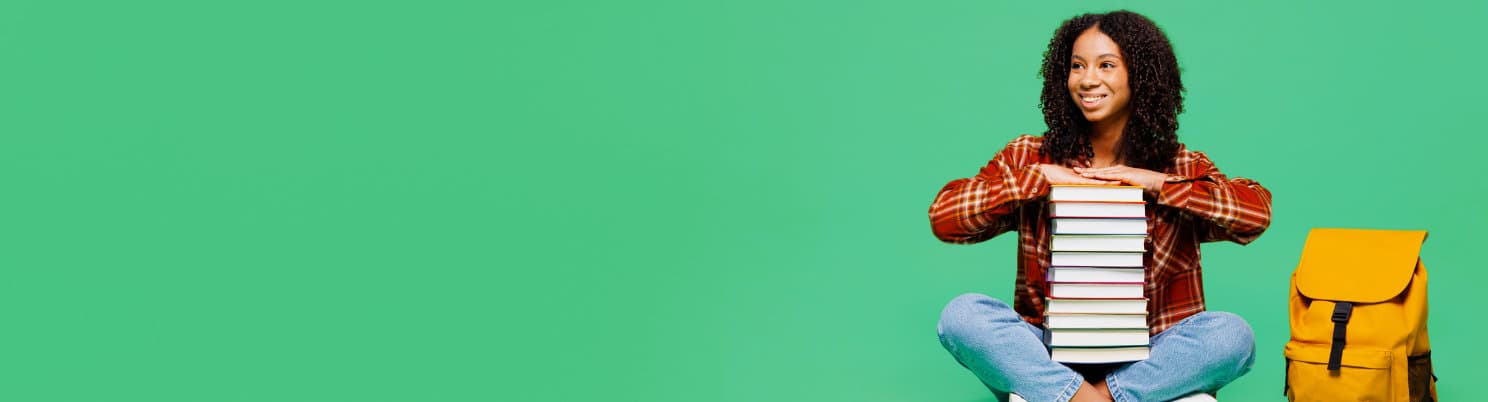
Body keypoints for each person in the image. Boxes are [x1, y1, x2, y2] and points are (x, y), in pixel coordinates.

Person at [928, 10, 1273, 402]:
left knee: (1232, 335)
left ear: (1139, 77)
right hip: (1050, 350)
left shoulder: (1178, 165)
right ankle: (1082, 396)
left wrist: (1157, 183)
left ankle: (1096, 397)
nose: (1088, 79)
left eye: (1106, 65)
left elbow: (1255, 214)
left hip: (1149, 352)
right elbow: (945, 217)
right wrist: (1038, 179)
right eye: (1077, 66)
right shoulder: (1030, 155)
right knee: (962, 315)